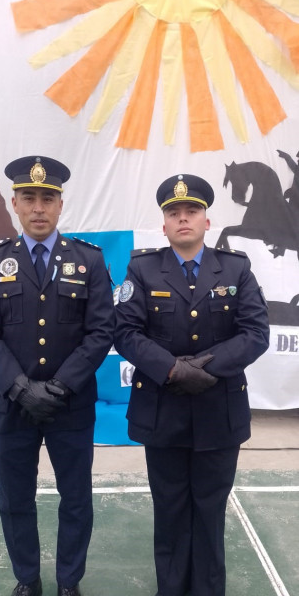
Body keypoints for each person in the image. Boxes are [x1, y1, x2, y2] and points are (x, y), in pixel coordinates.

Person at [114, 174, 269, 596]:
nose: (183, 218)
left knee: (209, 510)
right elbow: (125, 332)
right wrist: (172, 370)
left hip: (218, 413)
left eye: (192, 211)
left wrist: (202, 367)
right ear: (163, 224)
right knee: (169, 510)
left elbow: (255, 332)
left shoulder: (236, 268)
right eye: (173, 213)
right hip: (162, 411)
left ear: (207, 219)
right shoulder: (142, 269)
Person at [0, 156, 115, 596]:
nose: (38, 207)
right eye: (29, 198)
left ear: (59, 205)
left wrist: (59, 386)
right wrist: (18, 387)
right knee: (15, 501)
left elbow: (100, 330)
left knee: (76, 500)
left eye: (47, 198)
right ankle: (28, 579)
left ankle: (69, 582)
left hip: (69, 405)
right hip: (11, 406)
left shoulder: (87, 261)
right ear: (14, 203)